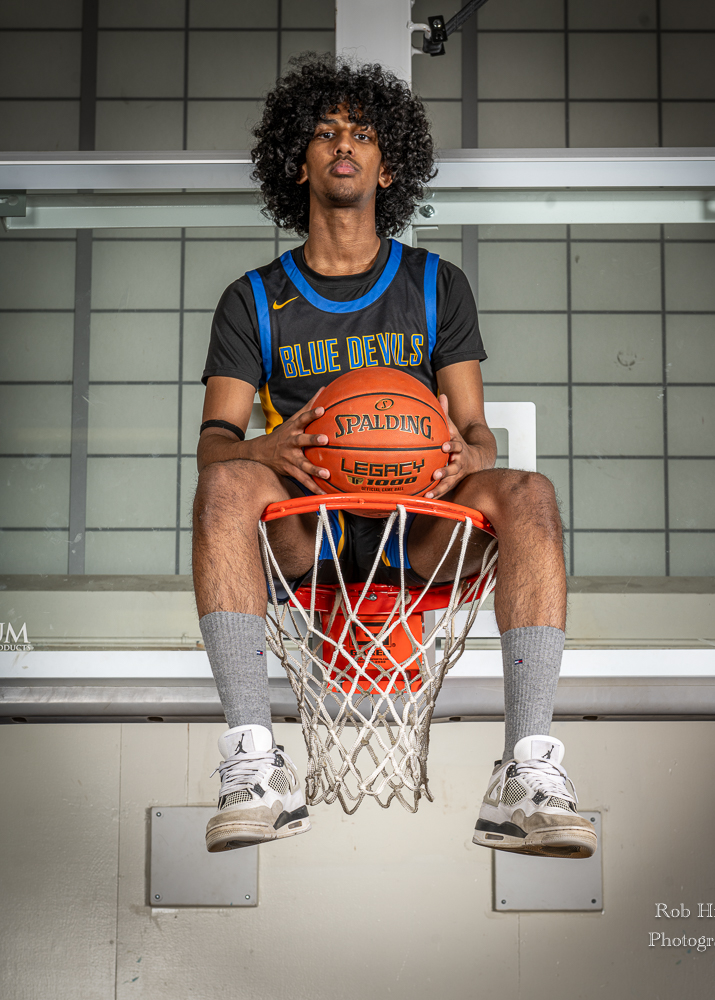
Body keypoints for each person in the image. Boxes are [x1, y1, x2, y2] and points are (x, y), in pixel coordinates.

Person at [194, 56, 596, 860]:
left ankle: (527, 775)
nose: (344, 144)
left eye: (364, 134)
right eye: (325, 132)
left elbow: (478, 432)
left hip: (421, 528)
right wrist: (267, 447)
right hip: (307, 535)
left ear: (388, 166)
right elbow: (213, 449)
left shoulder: (437, 285)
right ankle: (255, 767)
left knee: (529, 492)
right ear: (298, 161)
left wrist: (462, 455)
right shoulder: (254, 299)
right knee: (228, 484)